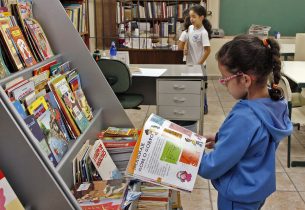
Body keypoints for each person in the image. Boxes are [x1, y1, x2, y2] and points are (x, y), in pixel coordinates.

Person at [198, 35, 293, 210]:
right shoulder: (276, 102)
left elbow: (210, 167)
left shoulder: (244, 117)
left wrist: (188, 151)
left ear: (245, 80)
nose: (223, 84)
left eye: (224, 79)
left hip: (237, 196)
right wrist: (221, 137)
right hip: (256, 189)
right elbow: (256, 140)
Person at [179, 5, 212, 114]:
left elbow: (208, 50)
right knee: (190, 86)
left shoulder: (204, 33)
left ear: (201, 17)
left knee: (200, 88)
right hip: (189, 64)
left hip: (199, 65)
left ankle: (204, 107)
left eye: (194, 17)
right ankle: (192, 105)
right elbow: (188, 39)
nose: (191, 19)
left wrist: (199, 65)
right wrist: (185, 46)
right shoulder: (190, 28)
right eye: (190, 17)